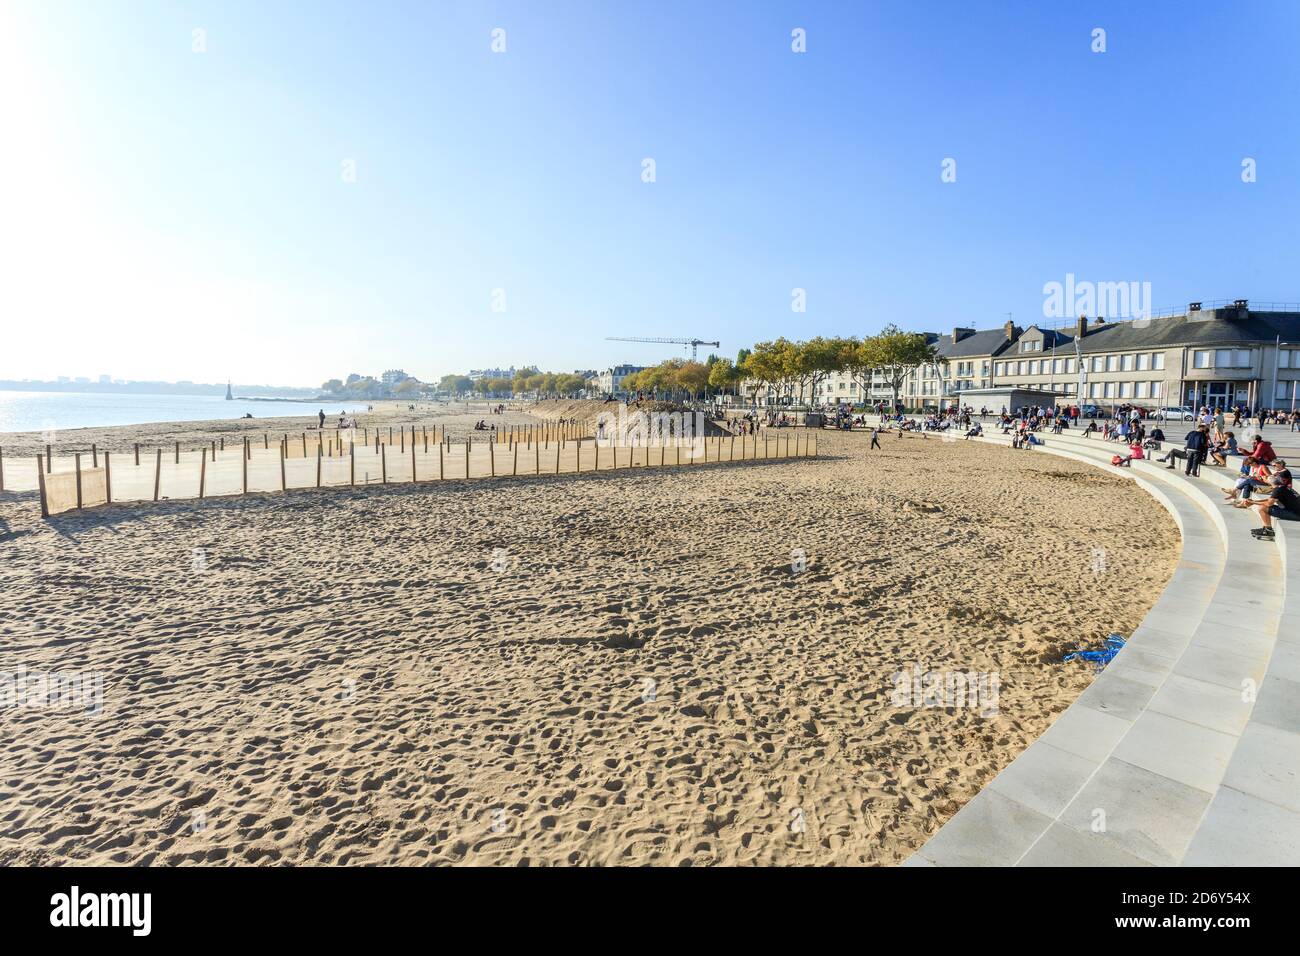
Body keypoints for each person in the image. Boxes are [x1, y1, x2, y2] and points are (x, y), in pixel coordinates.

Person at [1250, 460, 1298, 541]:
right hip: (1296, 511)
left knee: (1262, 508)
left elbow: (1269, 504)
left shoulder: (1278, 490)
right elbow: (1270, 500)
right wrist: (1252, 501)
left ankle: (1268, 531)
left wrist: (1253, 502)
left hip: (1295, 514)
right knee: (1264, 505)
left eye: (1267, 479)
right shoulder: (1284, 488)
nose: (1265, 480)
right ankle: (1266, 528)